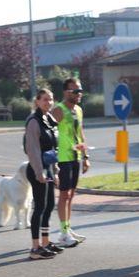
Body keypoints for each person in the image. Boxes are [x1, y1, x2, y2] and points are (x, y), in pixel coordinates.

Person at [24, 89, 64, 259]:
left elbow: (53, 149)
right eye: (45, 100)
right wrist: (39, 172)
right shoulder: (34, 121)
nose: (48, 102)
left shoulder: (49, 119)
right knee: (39, 207)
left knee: (48, 206)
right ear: (37, 101)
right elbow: (32, 149)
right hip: (37, 169)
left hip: (47, 167)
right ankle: (35, 248)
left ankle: (46, 242)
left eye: (51, 99)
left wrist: (55, 171)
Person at [51, 78, 90, 247]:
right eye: (75, 91)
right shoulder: (58, 110)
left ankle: (67, 228)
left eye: (80, 90)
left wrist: (86, 156)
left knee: (71, 195)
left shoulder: (78, 110)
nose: (79, 94)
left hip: (76, 158)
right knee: (64, 195)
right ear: (66, 92)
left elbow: (80, 132)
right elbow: (48, 132)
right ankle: (63, 232)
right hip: (63, 159)